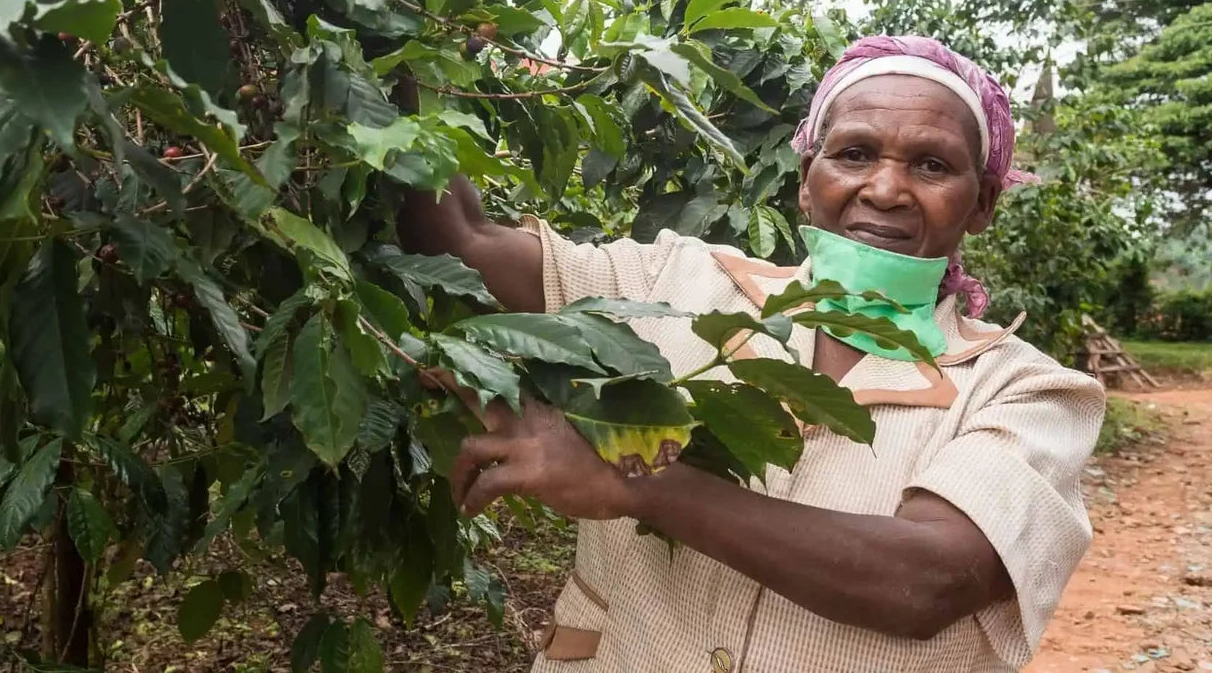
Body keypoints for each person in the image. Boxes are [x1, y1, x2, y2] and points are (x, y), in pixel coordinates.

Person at [396, 35, 1104, 673]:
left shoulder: (1028, 390)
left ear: (980, 204)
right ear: (806, 178)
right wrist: (376, 22)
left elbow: (927, 579)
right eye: (854, 152)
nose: (885, 188)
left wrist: (638, 479)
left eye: (931, 164)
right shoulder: (678, 283)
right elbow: (466, 243)